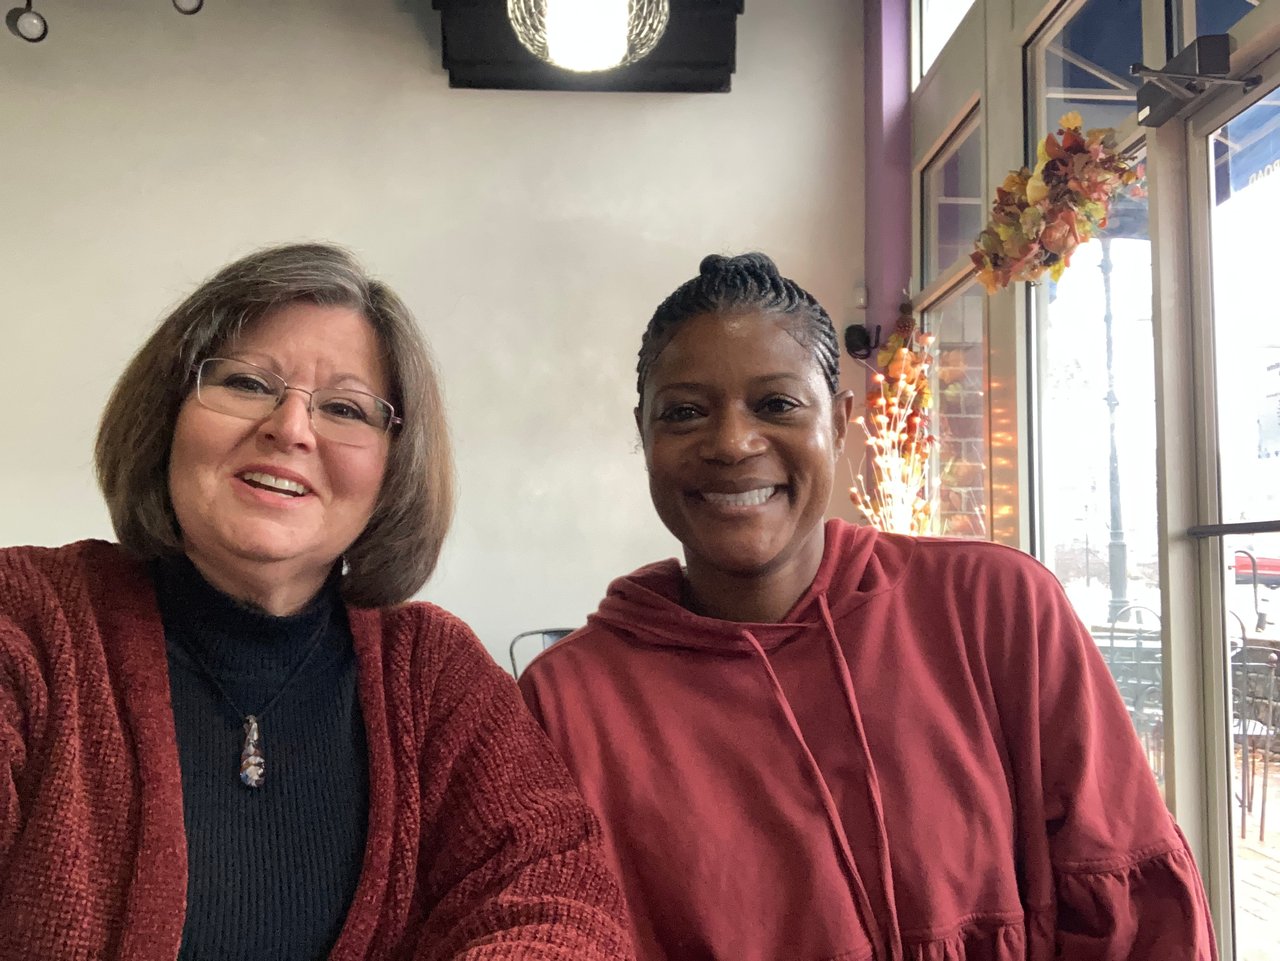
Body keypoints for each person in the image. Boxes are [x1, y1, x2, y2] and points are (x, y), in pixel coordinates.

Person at [518, 253, 1216, 961]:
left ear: (842, 420)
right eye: (685, 412)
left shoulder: (997, 610)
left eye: (776, 404)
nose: (731, 442)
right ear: (644, 434)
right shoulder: (566, 703)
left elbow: (1137, 920)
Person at [0, 243, 633, 961]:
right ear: (169, 412)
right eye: (244, 382)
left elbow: (561, 902)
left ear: (394, 465)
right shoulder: (27, 620)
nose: (291, 429)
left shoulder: (433, 673)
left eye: (343, 407)